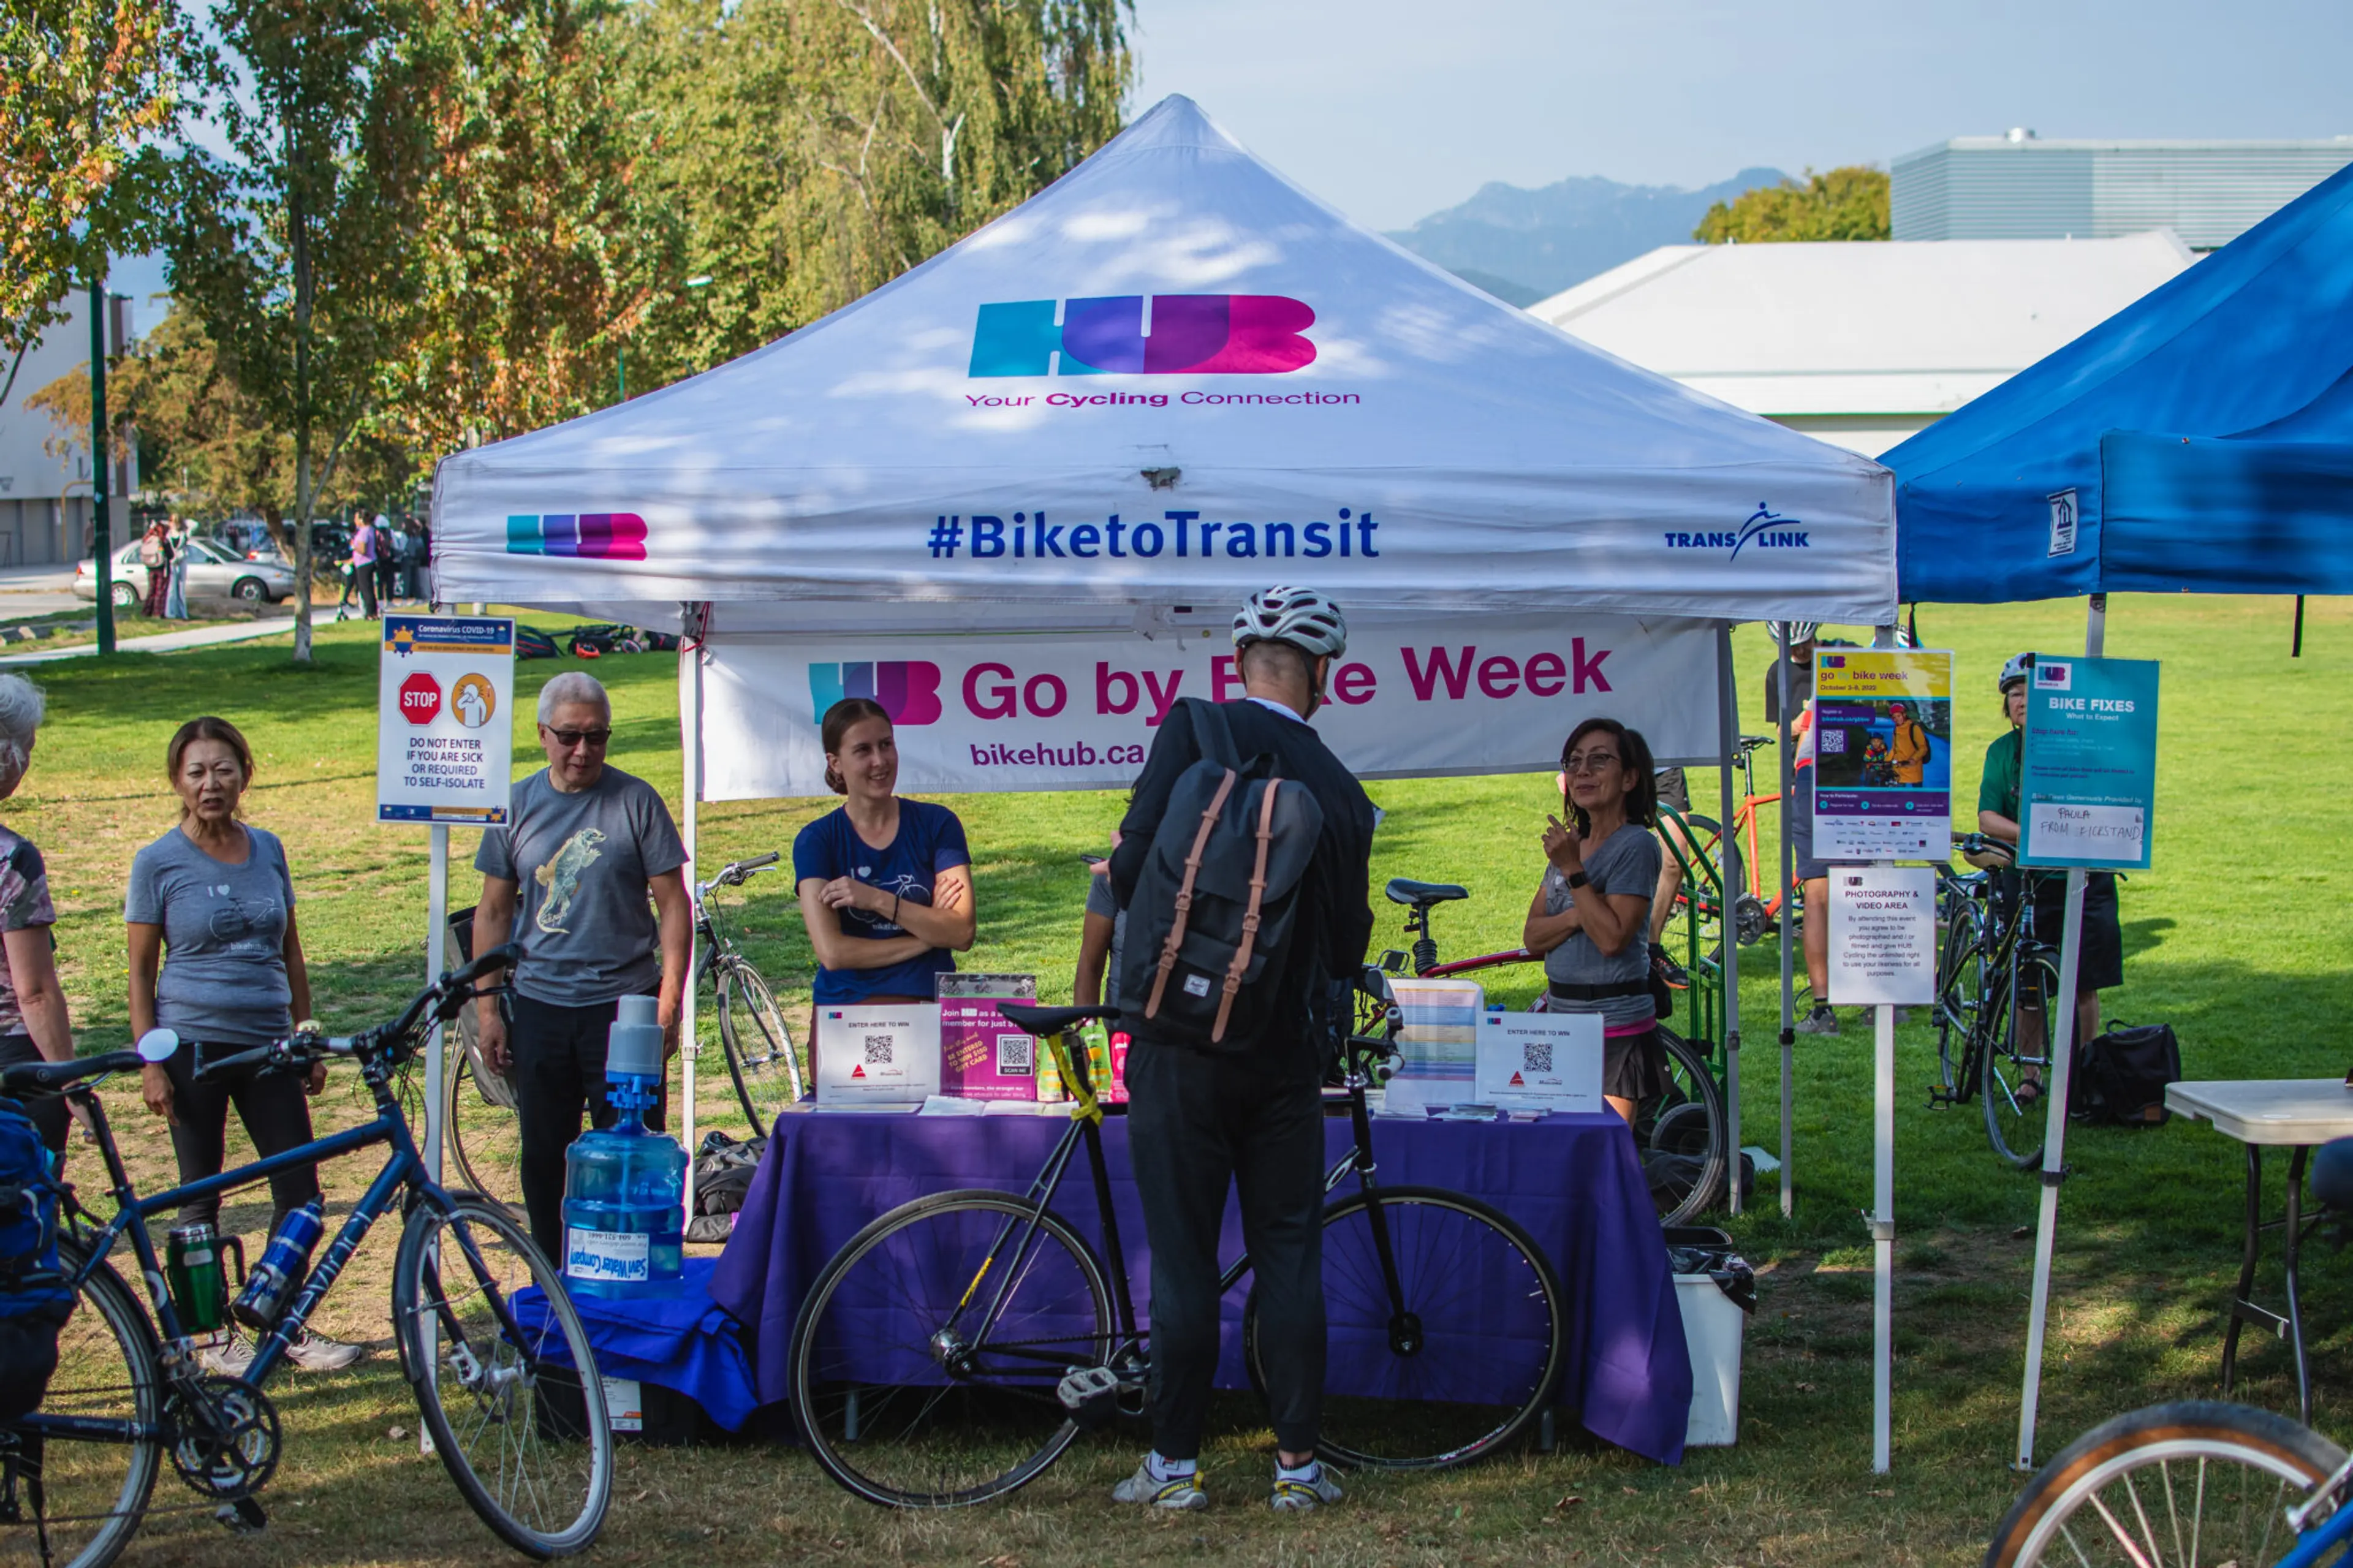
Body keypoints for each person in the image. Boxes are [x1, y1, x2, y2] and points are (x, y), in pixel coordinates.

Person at [1105, 586, 1376, 1515]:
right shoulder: (1342, 792)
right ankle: (1297, 1467)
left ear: (1241, 664)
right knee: (1291, 1255)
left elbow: (1135, 871)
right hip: (1282, 1061)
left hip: (1177, 1049)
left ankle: (1174, 1468)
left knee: (1181, 1260)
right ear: (1323, 677)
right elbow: (1344, 950)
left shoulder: (1190, 728)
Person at [127, 716, 362, 1375]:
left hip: (270, 1046)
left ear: (244, 775)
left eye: (223, 769)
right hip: (191, 1048)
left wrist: (306, 1034)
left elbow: (291, 949)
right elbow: (141, 973)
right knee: (199, 1194)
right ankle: (206, 1339)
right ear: (177, 781)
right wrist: (150, 1060)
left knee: (302, 1191)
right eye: (197, 771)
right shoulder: (157, 862)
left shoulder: (268, 849)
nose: (211, 783)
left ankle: (278, 1317)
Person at [474, 672, 691, 1265]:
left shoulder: (636, 800)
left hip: (627, 1007)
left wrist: (668, 1002)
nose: (583, 751)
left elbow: (674, 906)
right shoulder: (514, 805)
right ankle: (554, 1273)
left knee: (631, 1149)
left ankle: (629, 1266)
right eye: (569, 736)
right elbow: (493, 911)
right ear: (542, 734)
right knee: (545, 1153)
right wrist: (488, 1009)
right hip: (541, 1005)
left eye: (598, 737)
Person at [793, 698, 976, 1081]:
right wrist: (928, 936)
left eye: (886, 744)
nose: (880, 761)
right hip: (846, 1018)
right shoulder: (817, 841)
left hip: (930, 1010)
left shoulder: (938, 825)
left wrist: (876, 899)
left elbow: (961, 931)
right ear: (835, 763)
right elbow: (834, 953)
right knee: (849, 1139)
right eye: (863, 750)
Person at [1977, 653, 2124, 1089]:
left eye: (2031, 692)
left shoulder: (2081, 745)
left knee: (2085, 983)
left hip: (2084, 880)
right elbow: (1988, 818)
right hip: (2028, 882)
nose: (2022, 700)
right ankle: (2031, 1073)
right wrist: (2036, 834)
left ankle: (2082, 1071)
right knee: (2028, 986)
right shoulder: (2002, 752)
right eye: (2015, 694)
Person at [1523, 719, 1665, 1123]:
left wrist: (1573, 872)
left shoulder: (1637, 845)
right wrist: (1580, 911)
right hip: (1561, 1018)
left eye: (1599, 760)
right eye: (1574, 762)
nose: (1583, 771)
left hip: (1613, 1029)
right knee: (1563, 1148)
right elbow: (1533, 936)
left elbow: (1610, 937)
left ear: (1630, 778)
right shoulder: (1572, 844)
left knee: (1607, 1151)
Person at [0, 680, 74, 1159]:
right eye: (27, 748)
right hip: (15, 1062)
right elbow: (35, 992)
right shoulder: (12, 860)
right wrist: (72, 1082)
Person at [343, 509, 377, 620]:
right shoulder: (370, 529)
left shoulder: (364, 532)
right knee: (368, 589)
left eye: (356, 518)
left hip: (365, 564)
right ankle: (372, 612)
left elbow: (363, 550)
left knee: (365, 589)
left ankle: (370, 614)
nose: (355, 521)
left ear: (361, 520)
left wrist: (353, 545)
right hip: (366, 563)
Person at [1888, 701, 1930, 786]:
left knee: (1917, 796)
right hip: (1899, 768)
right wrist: (1886, 761)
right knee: (1900, 796)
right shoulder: (1896, 730)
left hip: (1913, 767)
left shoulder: (1914, 728)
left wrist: (1914, 759)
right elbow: (1894, 749)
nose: (1897, 719)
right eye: (1894, 717)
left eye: (1899, 716)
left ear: (1904, 715)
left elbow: (1923, 748)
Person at [137, 522, 170, 618]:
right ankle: (157, 613)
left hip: (150, 567)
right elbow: (170, 555)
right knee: (160, 591)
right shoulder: (162, 541)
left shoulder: (148, 539)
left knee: (151, 591)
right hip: (161, 568)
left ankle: (146, 612)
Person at [164, 517, 191, 620]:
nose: (174, 524)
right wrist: (172, 558)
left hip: (182, 562)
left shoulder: (184, 535)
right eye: (172, 522)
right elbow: (167, 550)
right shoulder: (167, 536)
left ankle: (183, 613)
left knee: (181, 588)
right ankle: (170, 613)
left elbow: (194, 524)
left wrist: (183, 523)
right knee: (172, 589)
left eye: (176, 522)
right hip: (172, 563)